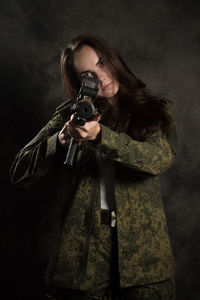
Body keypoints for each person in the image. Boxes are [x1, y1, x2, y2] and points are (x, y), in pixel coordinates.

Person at [10, 35, 177, 299]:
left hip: (143, 260)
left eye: (102, 64)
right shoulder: (71, 114)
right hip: (81, 258)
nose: (101, 77)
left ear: (114, 60)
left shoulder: (154, 110)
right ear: (79, 82)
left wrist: (100, 136)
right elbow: (18, 171)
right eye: (88, 74)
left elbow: (158, 158)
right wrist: (61, 139)